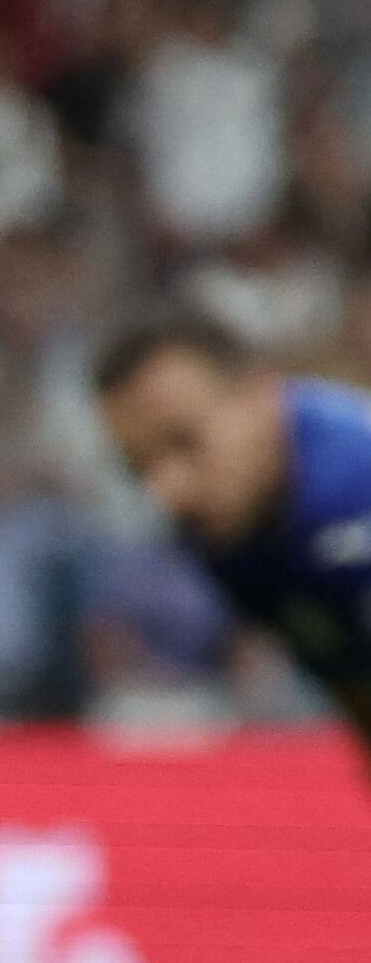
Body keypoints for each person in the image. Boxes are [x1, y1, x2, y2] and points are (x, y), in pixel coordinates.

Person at [97, 308, 371, 727]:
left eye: (186, 442)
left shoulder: (355, 485)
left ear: (260, 395)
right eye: (139, 467)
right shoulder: (225, 535)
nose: (168, 489)